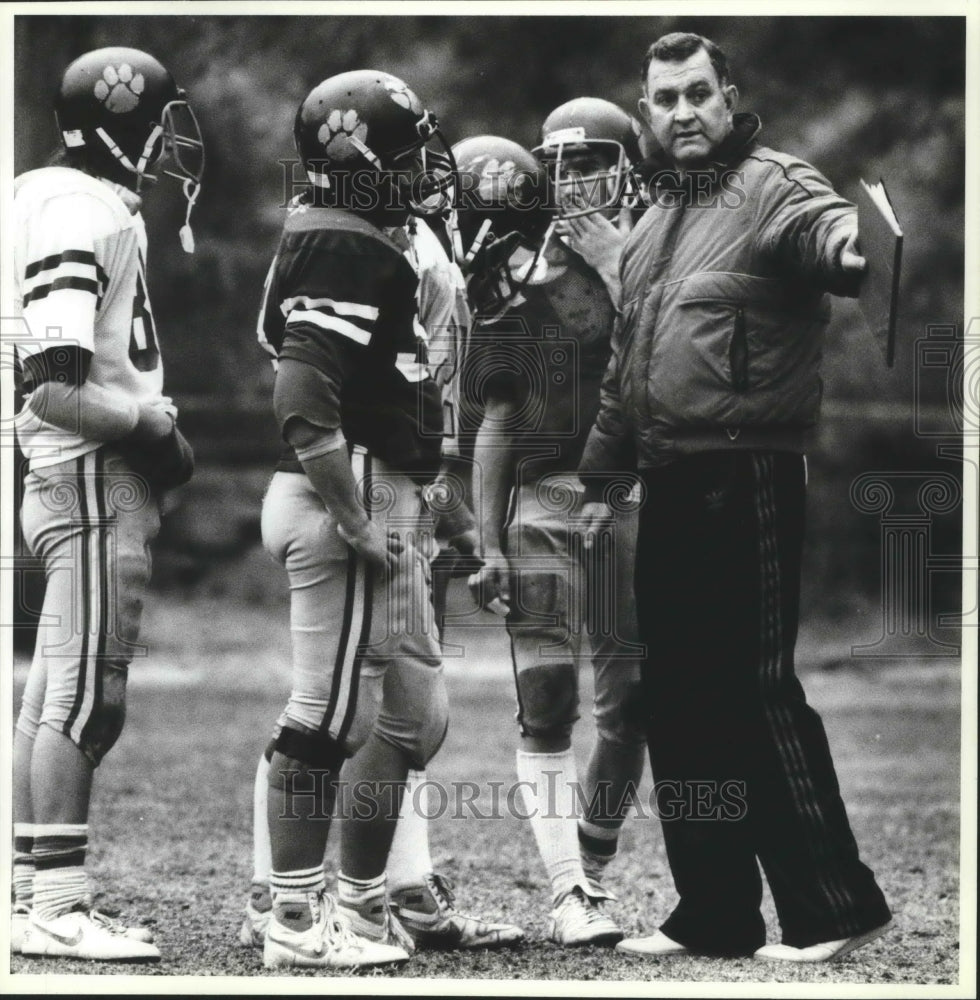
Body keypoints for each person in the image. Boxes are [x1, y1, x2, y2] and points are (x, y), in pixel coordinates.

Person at [577, 31, 893, 961]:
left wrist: (854, 250)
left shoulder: (772, 182)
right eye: (665, 98)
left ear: (729, 98)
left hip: (749, 472)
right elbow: (626, 371)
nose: (683, 112)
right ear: (646, 115)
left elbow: (832, 234)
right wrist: (601, 479)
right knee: (675, 703)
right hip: (670, 480)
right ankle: (713, 913)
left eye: (698, 93)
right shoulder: (648, 226)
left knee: (752, 690)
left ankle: (837, 907)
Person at [10, 46, 203, 962]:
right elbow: (53, 384)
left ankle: (27, 890)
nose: (171, 142)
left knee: (50, 692)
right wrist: (151, 426)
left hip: (62, 473)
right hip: (89, 471)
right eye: (163, 122)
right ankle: (58, 901)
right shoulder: (81, 210)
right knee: (88, 699)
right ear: (132, 123)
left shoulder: (51, 195)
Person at [464, 110, 648, 947]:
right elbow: (498, 418)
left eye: (591, 162)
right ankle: (568, 890)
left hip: (637, 494)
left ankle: (594, 868)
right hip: (544, 497)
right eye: (560, 164)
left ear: (626, 168)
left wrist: (626, 272)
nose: (574, 179)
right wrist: (487, 532)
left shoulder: (656, 255)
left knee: (634, 700)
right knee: (547, 695)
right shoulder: (514, 271)